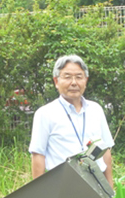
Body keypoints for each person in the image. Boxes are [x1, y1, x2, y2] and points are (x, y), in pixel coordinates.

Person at [29, 55, 114, 188]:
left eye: (79, 77)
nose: (74, 82)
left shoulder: (96, 110)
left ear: (85, 80)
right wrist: (39, 193)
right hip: (62, 186)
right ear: (56, 81)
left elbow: (106, 149)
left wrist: (110, 187)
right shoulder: (45, 114)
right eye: (67, 77)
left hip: (97, 185)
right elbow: (38, 155)